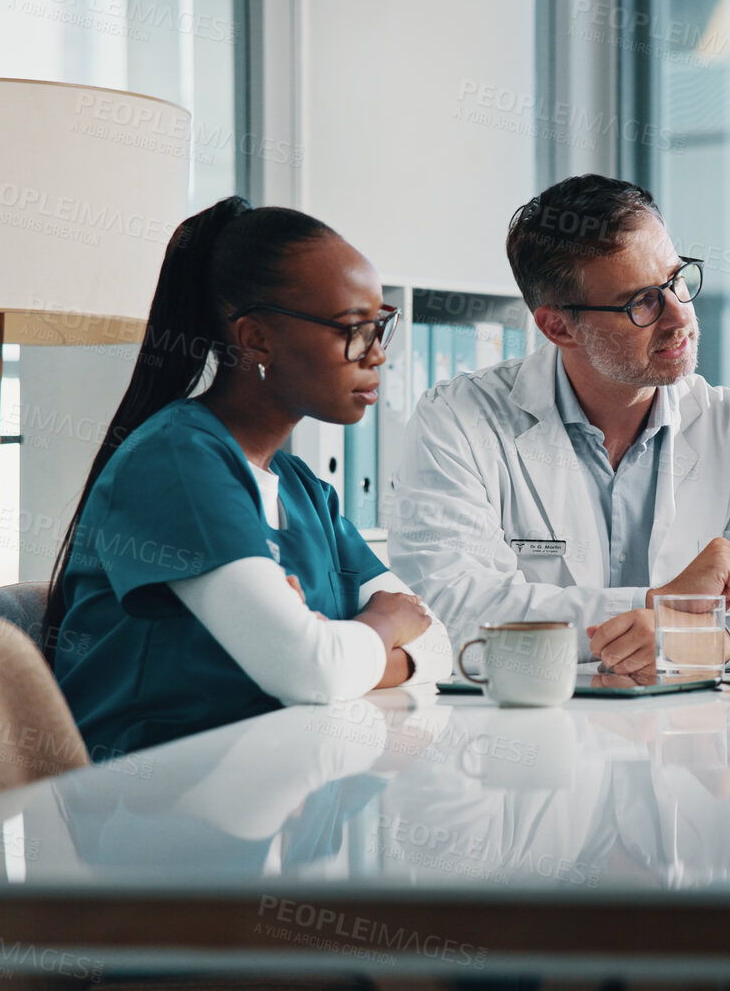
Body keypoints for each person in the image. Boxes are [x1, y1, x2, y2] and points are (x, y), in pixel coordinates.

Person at [42, 198, 450, 758]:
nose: (378, 354)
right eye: (354, 330)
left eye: (382, 326)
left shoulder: (303, 487)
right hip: (154, 811)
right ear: (256, 339)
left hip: (277, 787)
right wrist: (380, 625)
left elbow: (438, 642)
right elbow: (309, 669)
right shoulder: (177, 460)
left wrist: (337, 651)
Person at [389, 175, 730, 673]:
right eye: (642, 302)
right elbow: (449, 614)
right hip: (531, 737)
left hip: (692, 736)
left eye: (677, 280)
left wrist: (701, 641)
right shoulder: (457, 421)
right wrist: (662, 603)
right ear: (559, 326)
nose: (679, 315)